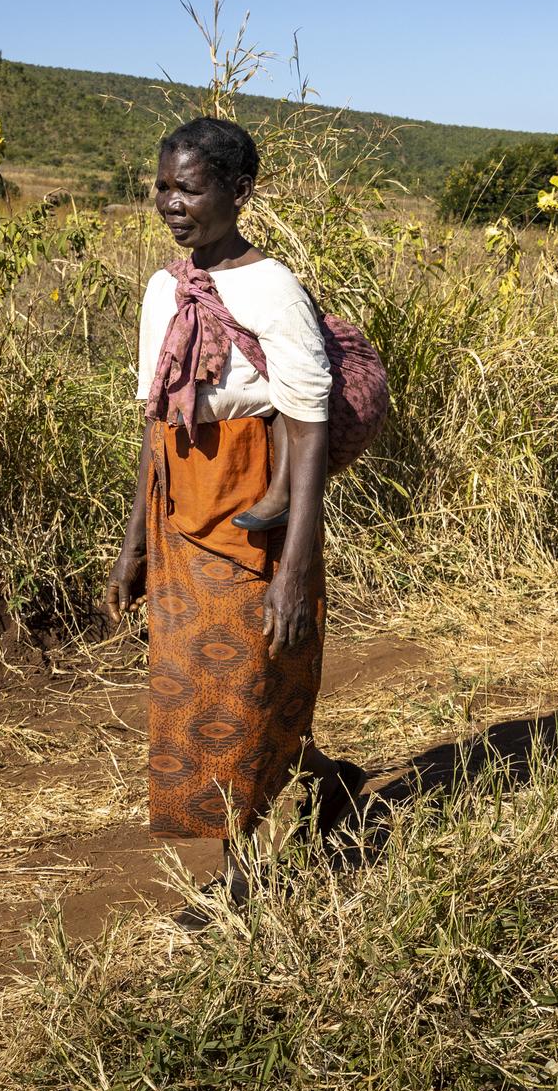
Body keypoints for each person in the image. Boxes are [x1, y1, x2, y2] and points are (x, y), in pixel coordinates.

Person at [102, 116, 367, 902]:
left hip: (256, 509)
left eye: (189, 187)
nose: (171, 203)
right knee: (197, 688)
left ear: (239, 192)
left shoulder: (271, 288)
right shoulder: (162, 290)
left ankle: (242, 881)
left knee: (245, 687)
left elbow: (309, 427)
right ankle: (331, 780)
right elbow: (158, 421)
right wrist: (133, 546)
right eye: (162, 187)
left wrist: (296, 567)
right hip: (181, 511)